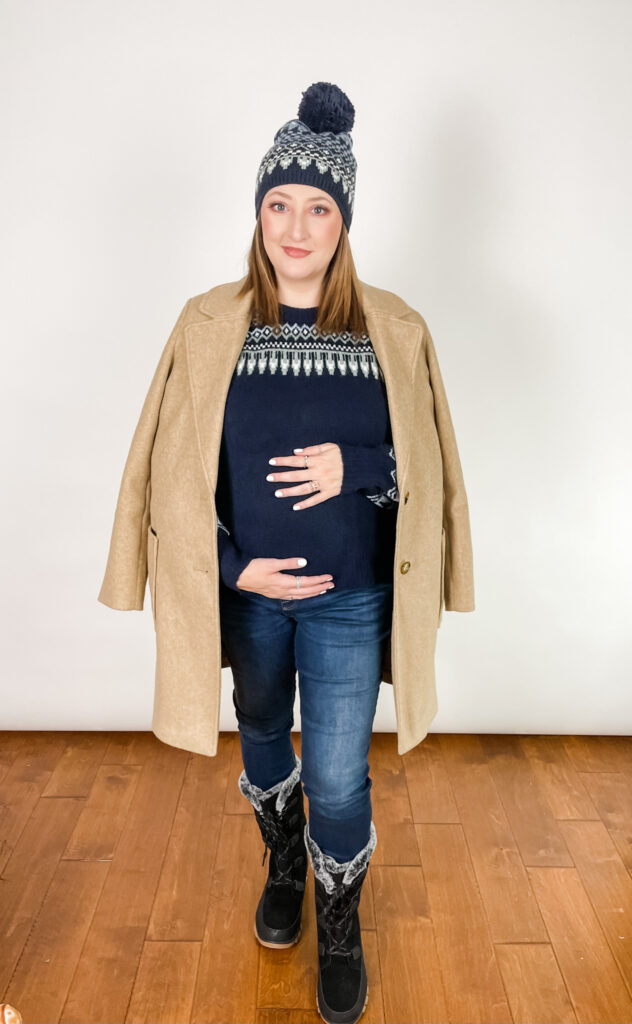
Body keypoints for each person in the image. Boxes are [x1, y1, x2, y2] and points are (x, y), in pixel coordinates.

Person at [98, 80, 476, 1024]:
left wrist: (355, 464)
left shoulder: (393, 329)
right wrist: (235, 571)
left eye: (317, 208)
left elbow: (423, 468)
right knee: (264, 739)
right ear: (258, 214)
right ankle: (282, 859)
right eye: (279, 204)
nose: (296, 227)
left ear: (343, 222)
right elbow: (171, 474)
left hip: (350, 600)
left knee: (342, 771)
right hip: (250, 596)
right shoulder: (207, 324)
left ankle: (338, 917)